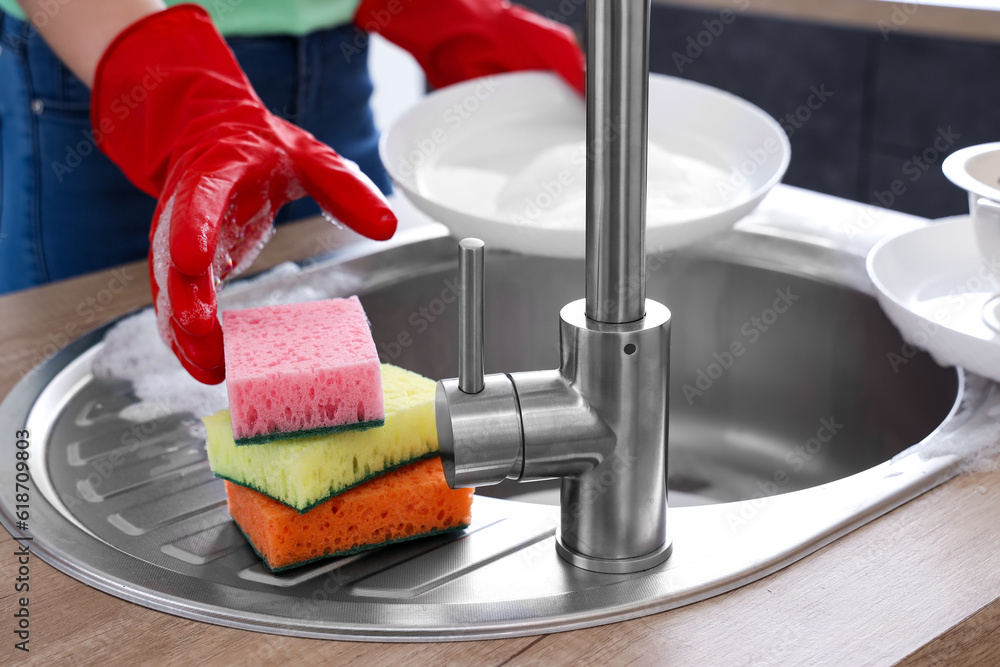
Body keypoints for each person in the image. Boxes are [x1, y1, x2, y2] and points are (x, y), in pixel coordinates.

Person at [0, 0, 584, 383]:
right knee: (91, 390)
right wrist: (180, 95)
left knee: (351, 386)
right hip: (112, 54)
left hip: (335, 51)